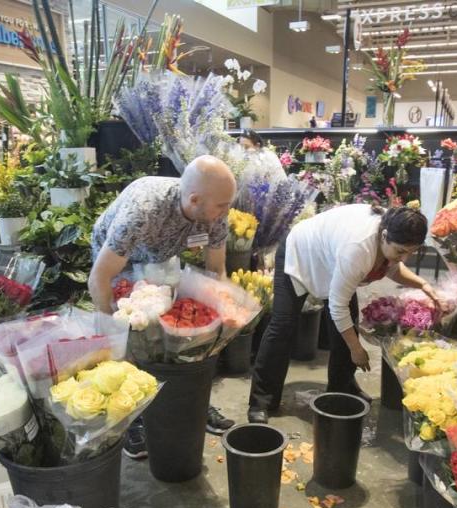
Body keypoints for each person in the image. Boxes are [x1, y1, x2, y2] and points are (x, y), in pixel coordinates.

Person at [89, 155, 239, 458]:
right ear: (195, 200)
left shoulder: (213, 208)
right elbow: (99, 278)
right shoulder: (143, 211)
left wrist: (218, 313)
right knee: (134, 335)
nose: (227, 211)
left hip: (162, 254)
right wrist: (114, 329)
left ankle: (188, 398)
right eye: (222, 206)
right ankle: (131, 418)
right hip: (120, 261)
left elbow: (216, 270)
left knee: (176, 329)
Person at [247, 204, 438, 423]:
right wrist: (357, 349)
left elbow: (393, 267)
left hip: (332, 260)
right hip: (301, 254)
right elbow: (337, 307)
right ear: (384, 236)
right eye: (400, 252)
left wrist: (423, 284)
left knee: (347, 328)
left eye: (411, 253)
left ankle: (341, 389)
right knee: (282, 327)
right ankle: (261, 401)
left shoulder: (395, 228)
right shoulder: (358, 248)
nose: (404, 258)